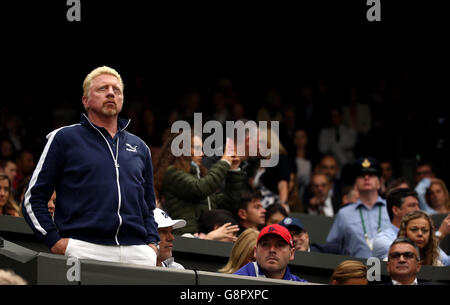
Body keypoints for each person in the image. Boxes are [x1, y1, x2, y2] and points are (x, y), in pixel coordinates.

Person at [21, 66, 160, 266]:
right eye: (103, 88)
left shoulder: (140, 147)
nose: (111, 92)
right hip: (83, 247)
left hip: (138, 251)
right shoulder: (64, 138)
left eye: (116, 89)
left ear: (122, 99)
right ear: (85, 101)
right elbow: (33, 197)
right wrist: (55, 241)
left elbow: (148, 206)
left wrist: (152, 243)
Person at [155, 132, 243, 235]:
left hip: (208, 238)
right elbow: (200, 188)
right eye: (197, 148)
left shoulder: (201, 177)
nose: (202, 154)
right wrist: (224, 161)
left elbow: (229, 203)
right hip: (187, 239)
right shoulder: (172, 173)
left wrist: (234, 170)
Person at [326, 157, 391, 258]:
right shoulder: (344, 214)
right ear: (355, 184)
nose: (366, 178)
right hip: (356, 270)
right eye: (361, 175)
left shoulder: (391, 208)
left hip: (389, 270)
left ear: (380, 182)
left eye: (372, 175)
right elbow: (332, 247)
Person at [233, 224, 308, 282]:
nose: (272, 250)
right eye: (265, 245)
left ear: (291, 253)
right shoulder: (238, 279)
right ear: (255, 251)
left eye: (280, 245)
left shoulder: (299, 283)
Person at [372, 188, 420, 259]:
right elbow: (410, 257)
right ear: (396, 210)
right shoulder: (382, 239)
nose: (418, 210)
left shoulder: (420, 235)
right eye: (412, 205)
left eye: (418, 205)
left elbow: (442, 259)